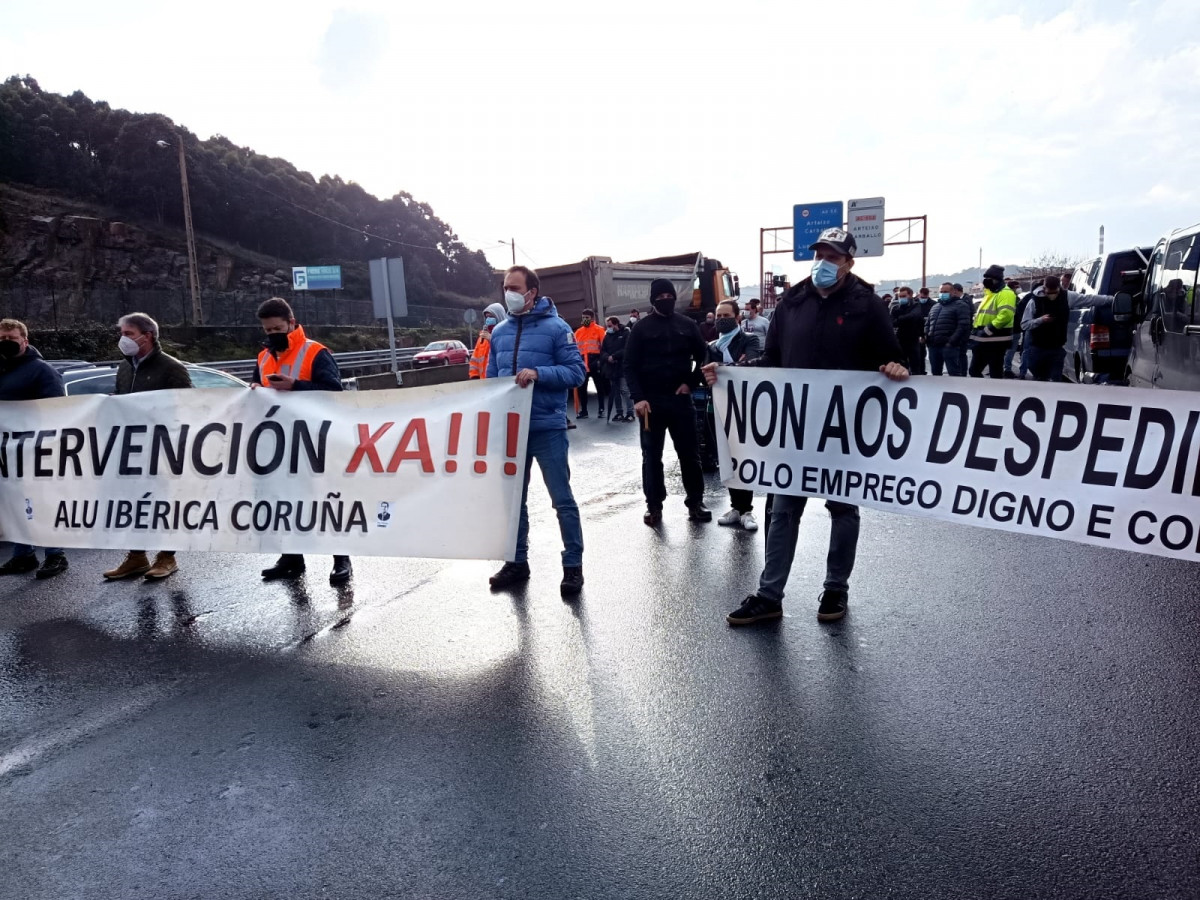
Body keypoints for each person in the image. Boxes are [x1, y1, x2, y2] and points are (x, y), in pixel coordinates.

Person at [702, 227, 908, 627]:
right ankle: (769, 595)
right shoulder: (793, 301)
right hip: (795, 432)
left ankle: (836, 589)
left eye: (832, 257)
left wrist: (895, 367)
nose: (823, 263)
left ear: (849, 262)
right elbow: (774, 361)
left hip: (843, 429)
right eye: (819, 255)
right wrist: (730, 374)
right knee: (783, 510)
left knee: (843, 509)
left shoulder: (867, 303)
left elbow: (891, 357)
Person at [486, 266, 586, 596]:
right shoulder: (498, 333)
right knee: (514, 501)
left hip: (547, 428)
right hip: (512, 431)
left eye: (515, 287)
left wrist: (539, 373)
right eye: (505, 287)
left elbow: (576, 373)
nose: (509, 293)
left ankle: (572, 566)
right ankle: (517, 562)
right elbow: (490, 382)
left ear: (532, 292)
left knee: (562, 500)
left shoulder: (557, 328)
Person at [252, 298, 353, 586]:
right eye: (268, 330)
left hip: (315, 440)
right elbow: (257, 386)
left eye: (278, 328)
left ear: (292, 322)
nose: (273, 334)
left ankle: (341, 560)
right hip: (280, 442)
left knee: (326, 501)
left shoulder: (315, 352)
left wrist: (295, 386)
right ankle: (291, 558)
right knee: (284, 502)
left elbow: (333, 391)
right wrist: (256, 389)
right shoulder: (262, 356)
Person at [102, 313, 193, 581]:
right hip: (133, 448)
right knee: (134, 503)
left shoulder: (171, 367)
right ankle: (137, 556)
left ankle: (167, 556)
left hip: (164, 448)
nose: (123, 339)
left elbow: (187, 408)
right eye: (122, 333)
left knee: (165, 504)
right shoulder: (125, 367)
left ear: (148, 335)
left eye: (128, 334)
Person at [624, 278, 712, 526]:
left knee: (690, 455)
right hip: (650, 404)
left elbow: (703, 354)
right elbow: (629, 366)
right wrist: (638, 398)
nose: (666, 300)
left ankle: (696, 502)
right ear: (653, 301)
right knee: (651, 457)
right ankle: (654, 506)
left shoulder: (688, 325)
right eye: (660, 297)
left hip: (680, 399)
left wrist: (691, 383)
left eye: (669, 296)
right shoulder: (641, 329)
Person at [0, 318, 69, 579]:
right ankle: (23, 555)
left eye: (11, 339)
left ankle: (55, 555)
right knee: (15, 503)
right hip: (8, 451)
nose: (6, 343)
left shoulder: (42, 371)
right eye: (2, 339)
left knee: (42, 502)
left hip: (36, 448)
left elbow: (57, 409)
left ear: (25, 341)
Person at [707, 300, 762, 531]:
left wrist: (720, 367)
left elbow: (751, 366)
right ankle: (735, 507)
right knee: (726, 457)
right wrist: (726, 366)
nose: (721, 319)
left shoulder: (750, 340)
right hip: (717, 406)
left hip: (742, 406)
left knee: (743, 455)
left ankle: (747, 509)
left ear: (738, 317)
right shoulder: (711, 345)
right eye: (719, 315)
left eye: (726, 314)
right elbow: (705, 373)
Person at [969, 265, 1017, 378]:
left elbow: (1005, 315)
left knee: (995, 372)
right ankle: (982, 392)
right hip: (983, 339)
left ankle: (994, 394)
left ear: (997, 279)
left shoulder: (1005, 293)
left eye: (989, 278)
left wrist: (987, 330)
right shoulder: (990, 294)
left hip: (995, 340)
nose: (986, 281)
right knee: (975, 371)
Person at [1021, 275, 1070, 381]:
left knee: (1056, 379)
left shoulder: (1066, 297)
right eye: (1049, 293)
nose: (1052, 296)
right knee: (1040, 379)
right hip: (1038, 348)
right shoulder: (1034, 301)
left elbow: (1089, 299)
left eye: (1055, 293)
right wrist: (1040, 320)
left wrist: (1111, 299)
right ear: (1044, 289)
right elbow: (1024, 324)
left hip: (1057, 347)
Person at [924, 282, 971, 376]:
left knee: (954, 374)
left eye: (945, 291)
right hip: (933, 346)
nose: (942, 293)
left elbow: (963, 325)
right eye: (941, 291)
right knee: (935, 374)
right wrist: (926, 336)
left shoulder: (961, 305)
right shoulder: (935, 306)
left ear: (953, 292)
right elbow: (928, 323)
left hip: (950, 347)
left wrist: (951, 342)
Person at [573, 308, 607, 419]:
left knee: (599, 387)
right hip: (583, 363)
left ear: (592, 318)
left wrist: (599, 361)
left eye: (587, 318)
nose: (584, 320)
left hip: (595, 361)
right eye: (583, 318)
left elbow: (604, 347)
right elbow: (575, 348)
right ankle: (584, 411)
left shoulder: (599, 330)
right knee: (582, 388)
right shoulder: (578, 332)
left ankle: (601, 409)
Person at [601, 315, 633, 421]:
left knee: (625, 390)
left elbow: (627, 348)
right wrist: (608, 358)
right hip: (612, 367)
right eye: (607, 326)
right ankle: (619, 412)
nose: (608, 328)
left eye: (609, 325)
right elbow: (603, 351)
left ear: (616, 324)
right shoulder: (607, 336)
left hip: (622, 366)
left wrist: (614, 356)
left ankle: (630, 412)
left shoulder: (625, 333)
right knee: (615, 391)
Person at [891, 287, 925, 373]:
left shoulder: (916, 306)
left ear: (910, 295)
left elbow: (914, 316)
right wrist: (905, 319)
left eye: (904, 296)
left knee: (916, 365)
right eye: (900, 296)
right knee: (901, 365)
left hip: (913, 340)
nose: (902, 298)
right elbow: (891, 322)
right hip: (900, 340)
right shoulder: (895, 308)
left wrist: (899, 319)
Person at [468, 302, 506, 379]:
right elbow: (474, 361)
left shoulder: (506, 335)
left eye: (491, 317)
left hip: (499, 381)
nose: (488, 320)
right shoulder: (482, 338)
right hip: (484, 383)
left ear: (499, 317)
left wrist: (492, 341)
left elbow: (505, 357)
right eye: (487, 317)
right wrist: (474, 376)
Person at [951, 283, 973, 374]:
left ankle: (963, 372)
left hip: (964, 332)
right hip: (958, 331)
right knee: (959, 354)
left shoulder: (966, 301)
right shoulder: (962, 300)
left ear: (955, 290)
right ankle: (960, 371)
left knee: (962, 354)